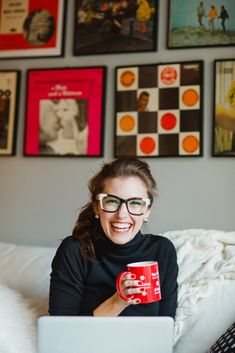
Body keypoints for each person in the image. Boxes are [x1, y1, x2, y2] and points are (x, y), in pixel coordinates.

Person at [49, 157, 178, 317]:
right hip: (88, 343)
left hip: (146, 343)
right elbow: (62, 332)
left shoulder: (162, 251)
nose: (122, 214)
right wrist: (118, 301)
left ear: (147, 210)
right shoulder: (75, 251)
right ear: (97, 207)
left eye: (135, 203)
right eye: (112, 201)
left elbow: (165, 326)